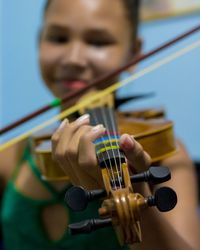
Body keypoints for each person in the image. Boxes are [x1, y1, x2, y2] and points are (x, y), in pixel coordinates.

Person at [0, 0, 199, 249]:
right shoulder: (10, 157)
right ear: (39, 41)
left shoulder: (167, 155)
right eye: (59, 38)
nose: (73, 58)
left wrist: (138, 194)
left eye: (98, 42)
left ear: (134, 52)